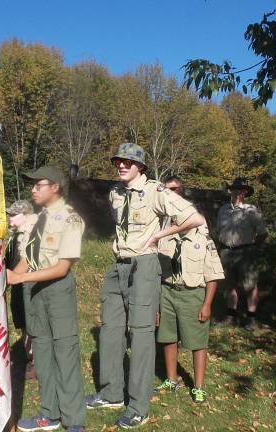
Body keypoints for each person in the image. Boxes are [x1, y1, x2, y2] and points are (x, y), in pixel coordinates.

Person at [86, 143, 205, 429]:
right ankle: (112, 392)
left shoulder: (155, 191)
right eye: (118, 161)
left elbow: (195, 218)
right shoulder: (115, 192)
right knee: (111, 330)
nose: (121, 166)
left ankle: (139, 406)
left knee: (140, 336)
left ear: (140, 166)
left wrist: (162, 234)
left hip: (144, 266)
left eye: (128, 162)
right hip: (118, 265)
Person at [7, 166, 86, 432]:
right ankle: (48, 413)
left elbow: (62, 268)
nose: (33, 189)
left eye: (38, 185)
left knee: (65, 353)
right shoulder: (39, 218)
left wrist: (21, 279)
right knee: (41, 353)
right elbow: (29, 259)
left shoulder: (70, 219)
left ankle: (74, 419)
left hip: (57, 290)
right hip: (35, 291)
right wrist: (7, 276)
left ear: (55, 187)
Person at [155, 176, 224, 403]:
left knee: (197, 341)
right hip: (167, 291)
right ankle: (172, 378)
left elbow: (212, 274)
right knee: (168, 337)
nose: (171, 194)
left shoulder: (202, 238)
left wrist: (207, 304)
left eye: (175, 190)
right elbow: (156, 269)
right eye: (167, 190)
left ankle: (199, 386)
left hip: (192, 293)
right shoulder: (163, 232)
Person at [216, 177, 267, 330]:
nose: (237, 192)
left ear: (245, 193)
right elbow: (218, 231)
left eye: (241, 190)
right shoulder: (223, 209)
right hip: (226, 251)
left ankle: (251, 318)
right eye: (235, 189)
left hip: (245, 252)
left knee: (250, 285)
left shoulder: (251, 210)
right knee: (229, 285)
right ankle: (231, 315)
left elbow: (263, 233)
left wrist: (252, 248)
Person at [4, 199, 38, 380]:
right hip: (16, 282)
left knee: (31, 321)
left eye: (14, 214)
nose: (10, 217)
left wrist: (13, 277)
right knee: (22, 322)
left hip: (27, 280)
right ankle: (29, 358)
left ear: (25, 215)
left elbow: (29, 259)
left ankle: (37, 362)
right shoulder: (14, 234)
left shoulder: (32, 231)